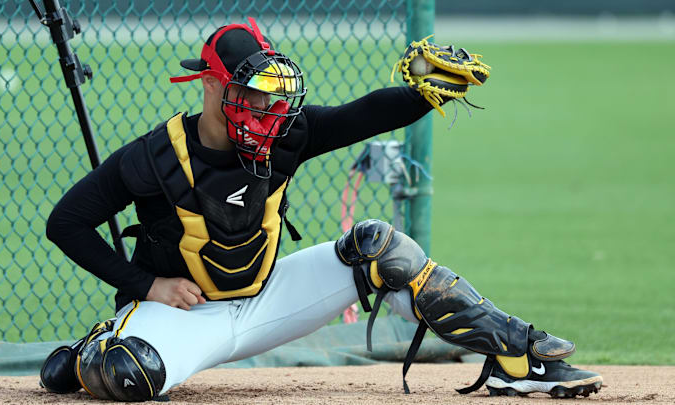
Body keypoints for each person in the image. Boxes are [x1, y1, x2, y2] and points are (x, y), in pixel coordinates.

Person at [39, 18, 602, 401]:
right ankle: (100, 344)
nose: (265, 108)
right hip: (184, 318)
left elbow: (361, 115)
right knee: (125, 374)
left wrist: (422, 93)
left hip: (265, 302)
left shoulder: (287, 134)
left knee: (382, 247)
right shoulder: (152, 157)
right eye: (250, 92)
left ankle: (519, 360)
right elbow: (64, 222)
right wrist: (146, 284)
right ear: (211, 84)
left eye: (271, 94)